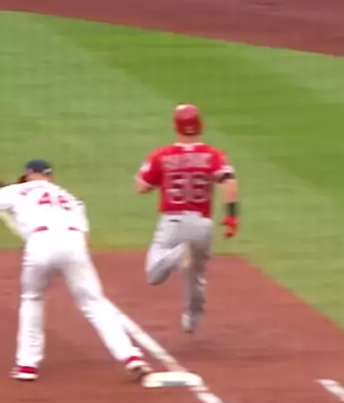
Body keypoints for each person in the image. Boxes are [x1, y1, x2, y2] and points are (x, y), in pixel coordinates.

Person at [0, 160, 153, 382]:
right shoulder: (70, 198)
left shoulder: (18, 190)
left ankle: (27, 365)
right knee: (94, 303)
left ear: (29, 174)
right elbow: (85, 236)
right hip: (74, 244)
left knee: (32, 298)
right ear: (49, 176)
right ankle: (131, 356)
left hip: (41, 243)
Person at [135, 104, 240, 332]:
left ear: (176, 126)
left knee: (154, 273)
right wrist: (232, 217)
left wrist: (149, 173)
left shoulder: (162, 155)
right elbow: (230, 183)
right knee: (197, 275)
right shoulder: (213, 155)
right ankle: (192, 318)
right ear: (200, 125)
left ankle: (177, 256)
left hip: (172, 223)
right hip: (202, 225)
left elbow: (141, 187)